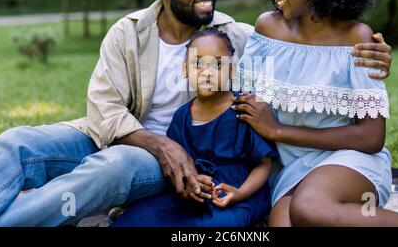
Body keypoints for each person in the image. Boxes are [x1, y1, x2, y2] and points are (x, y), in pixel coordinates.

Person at [0, 0, 392, 227]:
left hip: (171, 156)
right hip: (122, 137)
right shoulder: (129, 33)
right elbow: (105, 112)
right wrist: (160, 144)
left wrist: (374, 54)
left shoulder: (233, 35)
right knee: (16, 142)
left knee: (111, 168)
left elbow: (308, 49)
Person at [231, 0, 398, 226]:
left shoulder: (357, 37)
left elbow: (370, 137)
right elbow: (243, 104)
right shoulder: (267, 29)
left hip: (349, 159)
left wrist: (277, 131)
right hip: (290, 169)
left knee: (310, 208)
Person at [111, 28, 278, 227]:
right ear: (185, 69)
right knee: (141, 216)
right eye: (197, 63)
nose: (206, 72)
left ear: (232, 71)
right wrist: (194, 180)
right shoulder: (182, 117)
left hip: (238, 194)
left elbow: (263, 164)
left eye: (217, 64)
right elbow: (179, 164)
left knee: (218, 225)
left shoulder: (244, 110)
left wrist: (240, 194)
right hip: (195, 192)